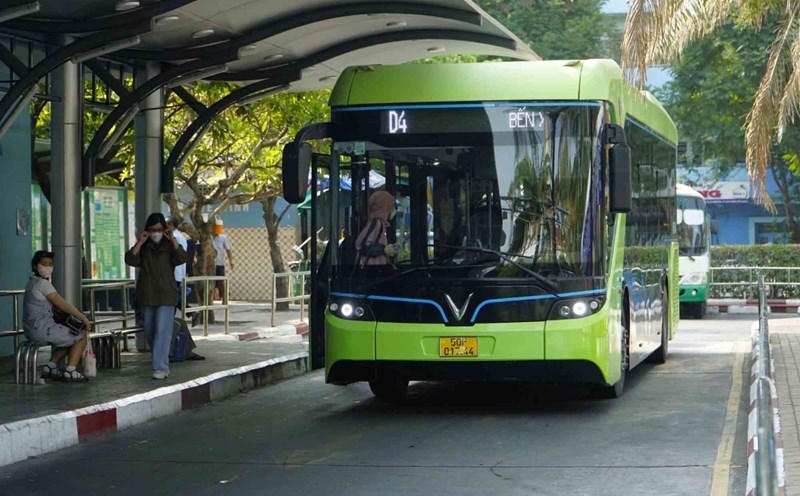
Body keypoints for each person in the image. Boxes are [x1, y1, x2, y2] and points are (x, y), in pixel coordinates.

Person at [125, 213, 187, 380]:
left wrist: (172, 239)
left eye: (159, 229)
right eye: (153, 230)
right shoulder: (144, 246)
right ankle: (162, 359)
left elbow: (182, 258)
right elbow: (130, 259)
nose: (156, 233)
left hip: (166, 294)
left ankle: (160, 367)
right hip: (147, 294)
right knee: (151, 331)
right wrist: (140, 241)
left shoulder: (170, 245)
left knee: (162, 330)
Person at [23, 250, 92, 382]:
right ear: (35, 266)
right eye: (44, 264)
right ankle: (71, 371)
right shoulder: (43, 284)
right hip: (42, 329)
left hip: (32, 329)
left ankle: (50, 367)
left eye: (50, 264)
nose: (48, 267)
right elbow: (62, 304)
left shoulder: (31, 282)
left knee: (69, 335)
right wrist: (83, 317)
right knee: (80, 335)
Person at [355, 191, 397, 266]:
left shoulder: (381, 224)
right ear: (384, 207)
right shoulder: (377, 223)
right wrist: (384, 249)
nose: (393, 210)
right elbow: (361, 244)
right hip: (372, 271)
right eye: (391, 206)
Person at [167, 217, 188, 313]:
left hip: (174, 272)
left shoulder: (174, 237)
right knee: (174, 297)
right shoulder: (182, 237)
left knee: (173, 298)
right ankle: (190, 312)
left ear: (171, 226)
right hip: (179, 273)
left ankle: (190, 311)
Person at [211, 220, 233, 301]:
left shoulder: (223, 238)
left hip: (219, 263)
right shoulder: (207, 237)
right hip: (210, 264)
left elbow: (228, 250)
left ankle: (224, 299)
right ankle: (211, 300)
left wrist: (231, 261)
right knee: (210, 282)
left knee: (221, 282)